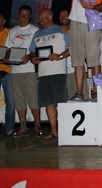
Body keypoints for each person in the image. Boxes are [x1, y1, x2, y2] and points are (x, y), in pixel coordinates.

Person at [29, 8, 69, 140]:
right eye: (39, 18)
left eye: (43, 17)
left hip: (58, 72)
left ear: (50, 17)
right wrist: (33, 58)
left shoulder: (61, 30)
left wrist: (60, 56)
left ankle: (66, 131)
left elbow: (73, 47)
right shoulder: (37, 33)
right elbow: (32, 52)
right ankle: (53, 131)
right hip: (42, 73)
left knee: (61, 103)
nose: (40, 20)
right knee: (48, 103)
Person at [6, 5, 41, 138]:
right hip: (15, 70)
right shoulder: (13, 31)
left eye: (26, 14)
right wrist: (6, 58)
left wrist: (29, 56)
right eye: (21, 14)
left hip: (29, 69)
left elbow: (38, 49)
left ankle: (37, 124)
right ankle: (23, 126)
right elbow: (8, 49)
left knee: (33, 98)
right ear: (18, 15)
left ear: (30, 16)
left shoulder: (35, 30)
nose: (24, 16)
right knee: (19, 99)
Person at [59, 9, 76, 99]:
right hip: (61, 72)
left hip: (75, 69)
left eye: (65, 15)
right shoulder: (56, 31)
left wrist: (61, 56)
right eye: (61, 16)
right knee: (66, 101)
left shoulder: (77, 29)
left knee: (81, 100)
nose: (63, 18)